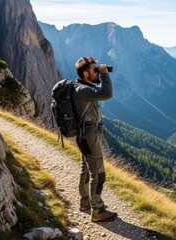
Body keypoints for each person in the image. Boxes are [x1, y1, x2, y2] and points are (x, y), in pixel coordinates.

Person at [72, 56, 117, 222]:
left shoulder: (81, 87)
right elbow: (107, 93)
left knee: (86, 170)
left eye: (98, 68)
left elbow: (98, 89)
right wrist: (105, 74)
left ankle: (85, 203)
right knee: (98, 174)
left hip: (84, 136)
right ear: (85, 74)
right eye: (94, 70)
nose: (98, 71)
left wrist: (99, 74)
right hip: (89, 137)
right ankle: (97, 210)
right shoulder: (83, 91)